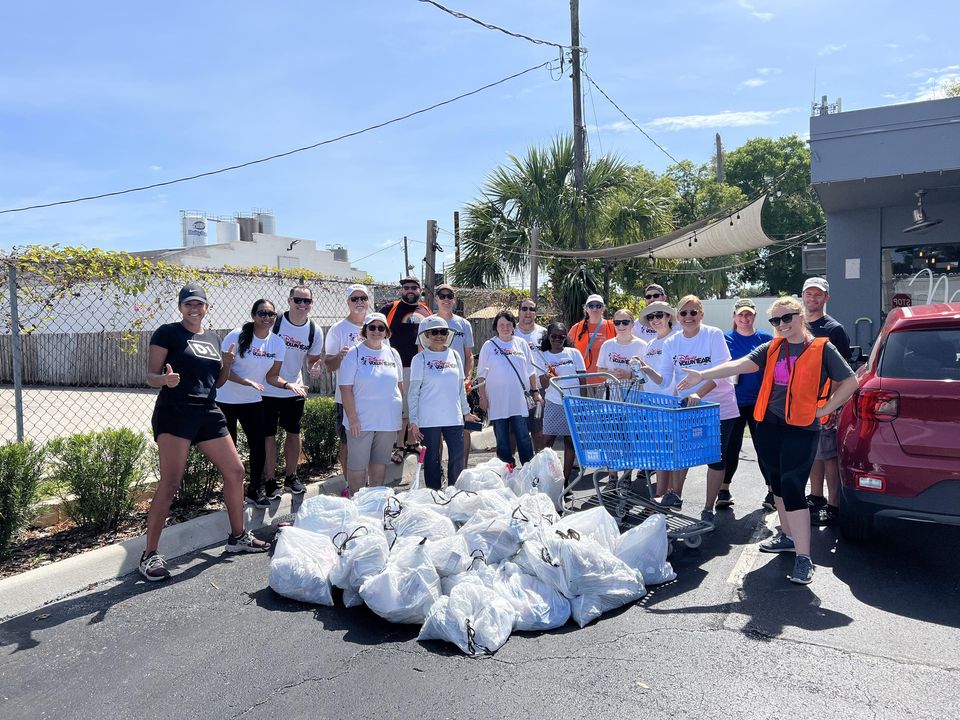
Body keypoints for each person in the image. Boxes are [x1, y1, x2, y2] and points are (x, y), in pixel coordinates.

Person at [677, 296, 858, 584]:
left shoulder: (822, 348)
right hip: (769, 426)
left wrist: (825, 408)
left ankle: (804, 557)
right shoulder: (771, 347)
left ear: (800, 317)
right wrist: (702, 373)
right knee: (776, 482)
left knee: (792, 485)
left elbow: (851, 381)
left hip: (802, 427)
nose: (782, 324)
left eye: (787, 318)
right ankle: (787, 537)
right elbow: (738, 366)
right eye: (776, 320)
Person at [141, 283, 269, 582]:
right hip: (175, 411)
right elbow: (149, 376)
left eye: (199, 304)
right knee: (171, 482)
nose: (194, 309)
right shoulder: (167, 332)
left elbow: (218, 383)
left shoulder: (213, 339)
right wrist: (165, 380)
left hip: (208, 411)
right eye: (188, 304)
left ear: (206, 308)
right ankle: (149, 555)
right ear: (181, 307)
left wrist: (225, 365)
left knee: (236, 471)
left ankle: (237, 537)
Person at [658, 295, 740, 525]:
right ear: (677, 316)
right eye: (683, 313)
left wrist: (698, 393)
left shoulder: (713, 335)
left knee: (715, 459)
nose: (688, 317)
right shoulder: (671, 343)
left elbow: (723, 372)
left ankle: (707, 508)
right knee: (682, 452)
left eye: (693, 312)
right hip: (687, 409)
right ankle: (675, 494)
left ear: (701, 314)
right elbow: (665, 380)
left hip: (718, 407)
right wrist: (642, 370)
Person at [216, 299, 287, 508]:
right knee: (230, 451)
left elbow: (273, 376)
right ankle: (230, 492)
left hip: (253, 400)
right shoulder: (236, 336)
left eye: (271, 314)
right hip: (225, 400)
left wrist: (288, 385)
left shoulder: (277, 343)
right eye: (262, 313)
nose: (267, 318)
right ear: (254, 315)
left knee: (259, 447)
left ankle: (254, 490)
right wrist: (246, 381)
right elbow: (224, 371)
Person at [261, 285, 321, 499]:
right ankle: (269, 480)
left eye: (307, 301)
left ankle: (291, 477)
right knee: (268, 436)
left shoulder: (314, 329)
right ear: (289, 301)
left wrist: (315, 366)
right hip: (267, 389)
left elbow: (313, 359)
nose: (302, 305)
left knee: (294, 434)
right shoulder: (274, 322)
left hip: (294, 389)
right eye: (298, 300)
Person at [801, 277, 852, 526]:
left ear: (826, 298)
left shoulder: (834, 329)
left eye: (818, 294)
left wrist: (830, 405)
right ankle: (815, 498)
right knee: (814, 454)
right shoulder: (798, 325)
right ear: (802, 296)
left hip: (825, 404)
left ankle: (834, 506)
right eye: (808, 294)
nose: (813, 298)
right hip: (803, 404)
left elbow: (841, 374)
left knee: (829, 456)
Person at [407, 316, 478, 489]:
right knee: (431, 460)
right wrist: (414, 421)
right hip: (428, 419)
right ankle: (434, 495)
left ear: (448, 334)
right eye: (434, 332)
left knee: (457, 458)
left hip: (453, 418)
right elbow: (413, 392)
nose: (439, 335)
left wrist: (466, 412)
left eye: (443, 332)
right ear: (427, 335)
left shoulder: (454, 355)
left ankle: (455, 493)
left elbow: (460, 387)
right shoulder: (420, 359)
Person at [338, 313, 404, 495]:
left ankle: (374, 501)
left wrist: (401, 414)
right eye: (372, 327)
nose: (376, 331)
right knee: (357, 465)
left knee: (379, 463)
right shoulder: (354, 354)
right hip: (361, 421)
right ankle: (357, 501)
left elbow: (399, 385)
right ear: (365, 330)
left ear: (386, 332)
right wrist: (352, 418)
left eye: (380, 328)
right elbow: (345, 388)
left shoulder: (393, 353)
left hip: (387, 420)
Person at [720, 299, 774, 511]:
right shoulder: (725, 339)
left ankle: (771, 491)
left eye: (748, 314)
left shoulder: (766, 339)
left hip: (759, 401)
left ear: (754, 316)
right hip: (733, 401)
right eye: (740, 315)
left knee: (764, 447)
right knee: (730, 446)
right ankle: (724, 490)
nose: (744, 319)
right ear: (734, 317)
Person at [477, 310, 542, 465]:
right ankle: (507, 469)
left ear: (514, 326)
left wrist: (536, 392)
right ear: (496, 327)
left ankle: (528, 468)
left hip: (518, 401)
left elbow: (531, 371)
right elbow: (481, 375)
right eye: (501, 325)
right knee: (502, 438)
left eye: (508, 324)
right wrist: (482, 397)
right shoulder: (488, 346)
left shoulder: (522, 344)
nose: (505, 328)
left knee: (523, 437)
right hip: (497, 401)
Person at [378, 276, 432, 463]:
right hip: (399, 366)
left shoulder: (425, 310)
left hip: (422, 366)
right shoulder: (389, 309)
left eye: (413, 287)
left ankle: (412, 443)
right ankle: (399, 446)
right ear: (401, 290)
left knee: (416, 406)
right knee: (402, 409)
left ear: (420, 290)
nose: (410, 290)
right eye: (406, 287)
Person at [324, 283, 370, 484]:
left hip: (372, 397)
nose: (359, 302)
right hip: (347, 397)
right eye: (355, 299)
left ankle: (365, 483)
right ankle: (348, 483)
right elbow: (329, 365)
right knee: (348, 441)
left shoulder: (376, 325)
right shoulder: (338, 329)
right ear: (348, 302)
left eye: (363, 298)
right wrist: (340, 357)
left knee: (370, 441)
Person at [431, 284, 476, 464]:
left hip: (460, 388)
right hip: (435, 387)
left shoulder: (463, 324)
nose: (446, 299)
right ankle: (440, 467)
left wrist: (468, 378)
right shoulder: (428, 323)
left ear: (454, 299)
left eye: (450, 296)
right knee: (438, 430)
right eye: (442, 296)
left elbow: (469, 356)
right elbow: (421, 355)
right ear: (436, 300)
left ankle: (462, 469)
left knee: (465, 428)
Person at [635, 302, 674, 499]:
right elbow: (647, 377)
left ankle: (665, 493)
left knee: (669, 451)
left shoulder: (675, 339)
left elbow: (666, 378)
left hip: (669, 402)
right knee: (660, 451)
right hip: (651, 403)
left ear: (668, 317)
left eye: (659, 315)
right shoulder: (649, 344)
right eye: (651, 317)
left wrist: (645, 368)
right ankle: (662, 494)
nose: (655, 319)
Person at [538, 322, 586, 481]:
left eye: (561, 336)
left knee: (570, 443)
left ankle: (565, 481)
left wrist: (583, 404)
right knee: (546, 444)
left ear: (566, 338)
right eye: (554, 336)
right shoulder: (543, 356)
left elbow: (583, 380)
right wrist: (546, 377)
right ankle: (546, 478)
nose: (557, 339)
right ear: (548, 337)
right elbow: (543, 385)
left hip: (573, 403)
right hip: (553, 402)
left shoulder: (574, 353)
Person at [513, 297, 548, 449]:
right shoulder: (510, 331)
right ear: (519, 311)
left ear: (535, 313)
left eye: (532, 309)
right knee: (513, 431)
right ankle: (510, 468)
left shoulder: (544, 333)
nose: (528, 312)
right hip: (515, 388)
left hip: (538, 388)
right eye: (525, 309)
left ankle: (538, 467)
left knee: (538, 431)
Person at [568, 294, 616, 381]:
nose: (594, 309)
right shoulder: (576, 328)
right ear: (586, 308)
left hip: (607, 381)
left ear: (603, 308)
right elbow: (567, 351)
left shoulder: (613, 326)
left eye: (598, 306)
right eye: (591, 306)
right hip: (583, 381)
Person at [597, 309, 648, 380]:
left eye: (625, 322)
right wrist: (611, 374)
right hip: (612, 390)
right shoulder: (607, 345)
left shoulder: (642, 345)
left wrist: (629, 375)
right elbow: (600, 370)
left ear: (633, 324)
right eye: (617, 322)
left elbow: (648, 373)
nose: (621, 325)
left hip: (635, 390)